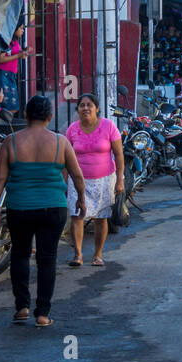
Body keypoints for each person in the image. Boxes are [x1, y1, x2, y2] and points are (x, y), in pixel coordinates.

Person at [0, 93, 86, 327]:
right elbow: (77, 175)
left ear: (25, 115)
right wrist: (81, 199)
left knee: (20, 254)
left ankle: (22, 306)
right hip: (53, 208)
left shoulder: (10, 142)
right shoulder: (61, 142)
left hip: (19, 208)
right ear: (50, 116)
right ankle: (42, 313)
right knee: (47, 259)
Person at [65, 93, 125, 268]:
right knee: (77, 216)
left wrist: (119, 180)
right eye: (82, 105)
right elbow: (65, 157)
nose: (85, 108)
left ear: (97, 108)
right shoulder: (72, 129)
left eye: (89, 105)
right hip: (78, 180)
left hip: (104, 179)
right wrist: (64, 180)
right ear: (77, 109)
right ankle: (78, 255)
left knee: (101, 217)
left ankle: (97, 255)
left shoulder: (109, 126)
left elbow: (119, 154)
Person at [0, 20, 32, 121]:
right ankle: (1, 124)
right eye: (20, 28)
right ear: (14, 29)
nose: (22, 30)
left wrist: (23, 52)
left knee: (12, 107)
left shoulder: (15, 41)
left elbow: (12, 54)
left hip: (11, 75)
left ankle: (2, 124)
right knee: (10, 107)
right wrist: (19, 55)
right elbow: (0, 59)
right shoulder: (6, 41)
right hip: (4, 75)